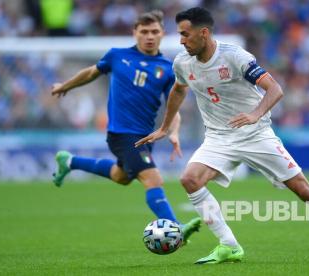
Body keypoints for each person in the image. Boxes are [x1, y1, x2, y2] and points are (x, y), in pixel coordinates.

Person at [136, 7, 309, 264]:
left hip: (255, 134)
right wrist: (165, 127)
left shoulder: (234, 56)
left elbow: (274, 88)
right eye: (180, 34)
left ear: (204, 33)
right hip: (218, 138)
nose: (181, 40)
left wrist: (256, 114)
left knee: (304, 190)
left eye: (185, 34)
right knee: (190, 179)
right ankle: (229, 245)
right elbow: (179, 90)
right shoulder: (182, 62)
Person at [50, 10, 200, 240]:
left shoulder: (167, 68)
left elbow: (173, 106)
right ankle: (176, 228)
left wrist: (174, 131)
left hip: (145, 136)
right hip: (121, 133)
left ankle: (69, 161)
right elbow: (91, 73)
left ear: (162, 34)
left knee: (121, 176)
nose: (149, 36)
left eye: (154, 32)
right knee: (153, 179)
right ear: (135, 33)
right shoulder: (117, 56)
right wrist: (66, 86)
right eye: (144, 32)